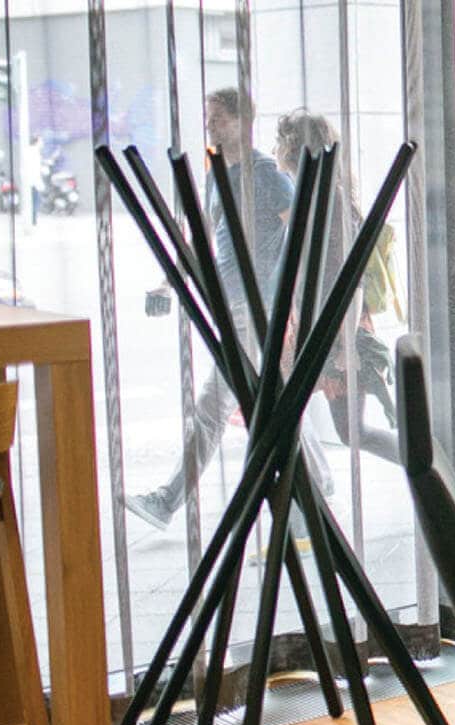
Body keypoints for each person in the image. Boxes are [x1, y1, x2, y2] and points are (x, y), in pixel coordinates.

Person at [125, 87, 330, 530]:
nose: (210, 125)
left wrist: (286, 296)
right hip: (231, 302)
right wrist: (170, 282)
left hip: (256, 308)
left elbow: (301, 235)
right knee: (271, 396)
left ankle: (167, 500)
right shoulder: (216, 173)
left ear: (243, 121)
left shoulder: (266, 174)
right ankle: (322, 479)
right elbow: (207, 238)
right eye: (208, 117)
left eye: (218, 118)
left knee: (214, 405)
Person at [272, 108, 399, 466]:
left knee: (351, 432)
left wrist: (345, 344)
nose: (274, 148)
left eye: (281, 140)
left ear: (295, 147)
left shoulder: (331, 202)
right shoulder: (311, 198)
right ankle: (305, 490)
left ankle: (432, 465)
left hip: (337, 328)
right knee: (285, 413)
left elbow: (352, 279)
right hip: (316, 327)